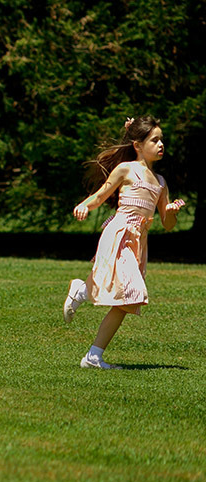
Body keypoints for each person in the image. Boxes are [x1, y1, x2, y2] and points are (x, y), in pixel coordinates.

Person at [62, 116, 186, 368]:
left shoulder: (161, 183)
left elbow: (166, 223)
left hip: (139, 242)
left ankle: (93, 356)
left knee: (128, 300)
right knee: (133, 292)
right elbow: (98, 197)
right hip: (118, 233)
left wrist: (171, 212)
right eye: (155, 140)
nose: (161, 144)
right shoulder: (126, 169)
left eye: (162, 139)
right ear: (138, 145)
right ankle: (83, 291)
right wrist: (83, 206)